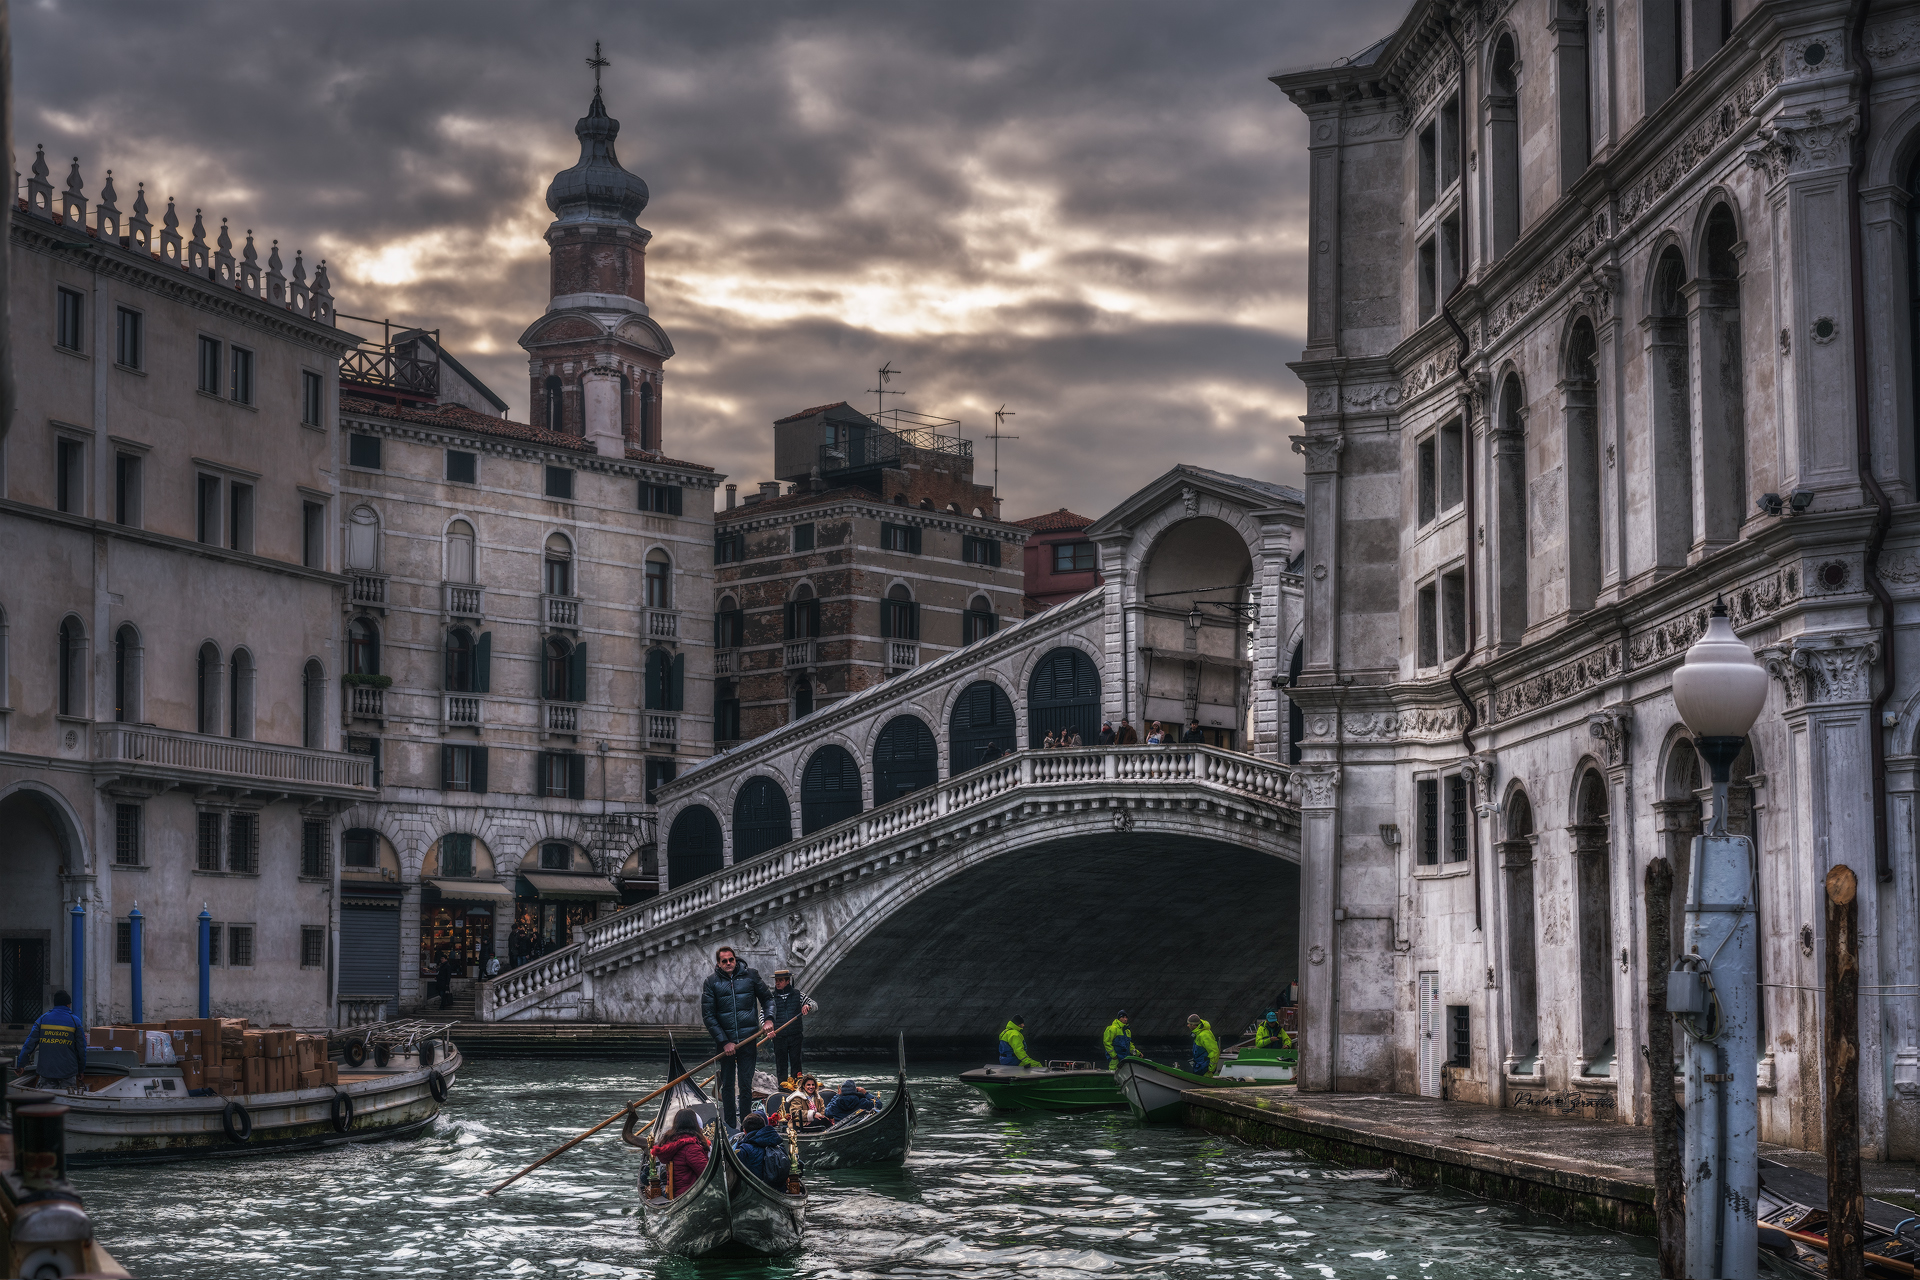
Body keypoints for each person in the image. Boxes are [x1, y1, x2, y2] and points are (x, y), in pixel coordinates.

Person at [701, 945, 775, 1129]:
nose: (728, 963)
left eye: (731, 960)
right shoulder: (711, 982)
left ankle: (745, 1126)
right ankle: (730, 1126)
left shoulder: (751, 975)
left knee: (745, 1085)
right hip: (724, 1043)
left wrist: (768, 1020)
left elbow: (768, 999)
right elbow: (708, 1016)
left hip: (748, 1039)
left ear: (736, 959)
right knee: (726, 1086)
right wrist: (725, 1042)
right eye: (724, 961)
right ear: (718, 963)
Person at [15, 989, 84, 1088]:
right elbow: (81, 1049)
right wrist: (81, 1070)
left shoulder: (42, 1020)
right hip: (68, 1072)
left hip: (46, 1071)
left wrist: (21, 1064)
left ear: (55, 1004)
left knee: (46, 1101)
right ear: (68, 1005)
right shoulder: (75, 1021)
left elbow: (29, 1044)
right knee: (67, 1101)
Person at [765, 968, 818, 1087]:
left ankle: (798, 1086)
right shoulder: (771, 999)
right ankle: (783, 1087)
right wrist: (767, 1029)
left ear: (787, 981)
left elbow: (814, 1005)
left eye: (780, 980)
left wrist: (807, 1006)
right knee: (781, 1064)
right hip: (779, 1037)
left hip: (795, 1035)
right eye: (776, 981)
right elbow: (763, 1015)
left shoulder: (798, 995)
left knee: (796, 1062)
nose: (777, 983)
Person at [649, 1107, 710, 1198]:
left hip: (678, 1193)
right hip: (691, 1194)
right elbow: (707, 1174)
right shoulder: (691, 1148)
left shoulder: (671, 1142)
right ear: (695, 1124)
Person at [733, 1112, 792, 1188]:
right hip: (779, 1189)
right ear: (764, 1127)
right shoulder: (779, 1146)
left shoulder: (743, 1150)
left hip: (753, 1190)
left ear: (744, 1131)